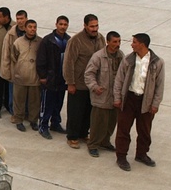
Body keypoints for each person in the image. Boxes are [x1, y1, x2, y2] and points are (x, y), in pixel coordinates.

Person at [113, 33, 166, 171]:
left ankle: (141, 154)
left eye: (134, 42)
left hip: (145, 101)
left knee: (144, 130)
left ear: (142, 45)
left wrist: (155, 104)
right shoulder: (128, 60)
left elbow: (160, 85)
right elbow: (119, 79)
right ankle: (121, 156)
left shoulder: (157, 63)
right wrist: (118, 98)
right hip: (129, 99)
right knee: (123, 129)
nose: (131, 44)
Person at [62, 14, 105, 148]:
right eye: (91, 26)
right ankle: (72, 136)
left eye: (96, 26)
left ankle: (83, 133)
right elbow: (69, 62)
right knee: (75, 111)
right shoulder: (76, 40)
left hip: (92, 84)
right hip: (78, 83)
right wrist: (70, 82)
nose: (94, 29)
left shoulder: (100, 39)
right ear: (85, 26)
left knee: (88, 111)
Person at [84, 31, 123, 157]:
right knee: (98, 123)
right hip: (101, 96)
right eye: (115, 42)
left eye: (119, 41)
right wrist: (95, 87)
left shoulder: (120, 56)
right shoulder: (98, 56)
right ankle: (93, 144)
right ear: (108, 42)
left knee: (111, 122)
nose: (117, 44)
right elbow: (89, 74)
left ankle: (105, 142)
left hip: (115, 97)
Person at [4, 19, 41, 132]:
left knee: (34, 102)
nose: (32, 29)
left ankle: (33, 121)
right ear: (25, 28)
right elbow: (13, 57)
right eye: (30, 27)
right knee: (19, 101)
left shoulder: (40, 42)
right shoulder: (18, 42)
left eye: (34, 27)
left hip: (35, 77)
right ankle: (18, 120)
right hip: (20, 77)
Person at [40, 16, 70, 135]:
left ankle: (55, 123)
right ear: (56, 24)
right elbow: (41, 59)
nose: (63, 27)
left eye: (65, 24)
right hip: (50, 78)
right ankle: (43, 126)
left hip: (62, 79)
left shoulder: (69, 40)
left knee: (59, 102)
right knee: (47, 104)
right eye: (61, 24)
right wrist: (43, 76)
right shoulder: (48, 40)